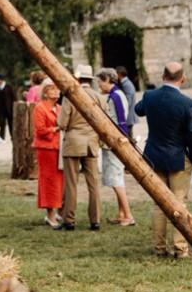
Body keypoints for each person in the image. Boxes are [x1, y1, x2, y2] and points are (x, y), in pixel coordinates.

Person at [134, 61, 192, 258]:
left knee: (158, 204)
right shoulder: (187, 103)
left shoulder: (150, 96)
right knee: (179, 204)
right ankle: (180, 248)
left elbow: (138, 110)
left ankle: (159, 248)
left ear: (163, 76)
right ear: (183, 78)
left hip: (153, 155)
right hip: (178, 156)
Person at [56, 65, 105, 231]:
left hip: (73, 142)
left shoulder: (70, 97)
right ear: (90, 80)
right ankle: (95, 220)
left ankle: (69, 219)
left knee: (71, 183)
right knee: (94, 184)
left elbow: (62, 123)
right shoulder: (99, 97)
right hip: (91, 142)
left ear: (77, 79)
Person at [96, 68, 135, 226]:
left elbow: (120, 122)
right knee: (115, 177)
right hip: (114, 141)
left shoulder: (115, 97)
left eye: (100, 81)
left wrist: (119, 141)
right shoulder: (115, 95)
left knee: (116, 178)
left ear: (107, 80)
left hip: (115, 142)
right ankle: (121, 213)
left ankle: (128, 215)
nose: (99, 84)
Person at [32, 83, 63, 227]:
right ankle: (50, 214)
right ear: (45, 93)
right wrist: (56, 129)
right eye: (53, 89)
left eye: (58, 89)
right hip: (46, 149)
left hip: (58, 148)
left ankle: (56, 210)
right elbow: (40, 130)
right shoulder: (40, 108)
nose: (57, 92)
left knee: (58, 181)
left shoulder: (59, 108)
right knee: (49, 181)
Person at [0, 75, 15, 140]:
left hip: (9, 108)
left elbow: (13, 97)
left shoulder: (8, 87)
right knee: (2, 123)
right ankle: (1, 137)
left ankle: (12, 136)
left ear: (2, 80)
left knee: (11, 123)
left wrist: (13, 106)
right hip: (0, 109)